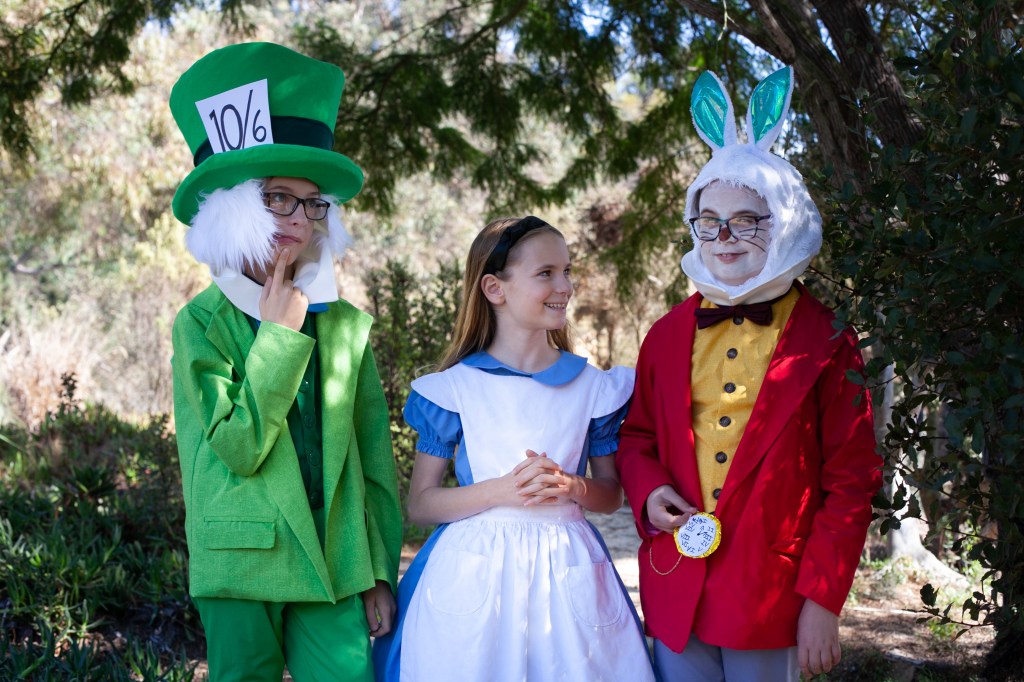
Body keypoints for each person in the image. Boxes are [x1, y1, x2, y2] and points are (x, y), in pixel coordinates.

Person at [615, 66, 882, 681]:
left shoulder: (829, 340)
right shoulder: (665, 334)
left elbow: (851, 477)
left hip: (772, 591)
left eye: (748, 220)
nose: (725, 236)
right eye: (709, 220)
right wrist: (652, 491)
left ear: (784, 220)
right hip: (677, 585)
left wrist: (822, 598)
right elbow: (637, 439)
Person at [168, 42, 402, 682]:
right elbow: (239, 446)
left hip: (337, 563)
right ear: (231, 203)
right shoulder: (200, 325)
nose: (301, 216)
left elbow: (372, 456)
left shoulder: (346, 324)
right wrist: (276, 337)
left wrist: (380, 569)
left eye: (313, 201)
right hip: (239, 563)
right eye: (278, 197)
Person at [372, 216, 656, 681]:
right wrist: (502, 491)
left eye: (567, 271)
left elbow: (612, 497)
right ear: (494, 288)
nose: (564, 285)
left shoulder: (593, 387)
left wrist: (573, 485)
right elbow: (422, 504)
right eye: (546, 273)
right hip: (471, 574)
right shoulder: (454, 389)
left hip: (569, 569)